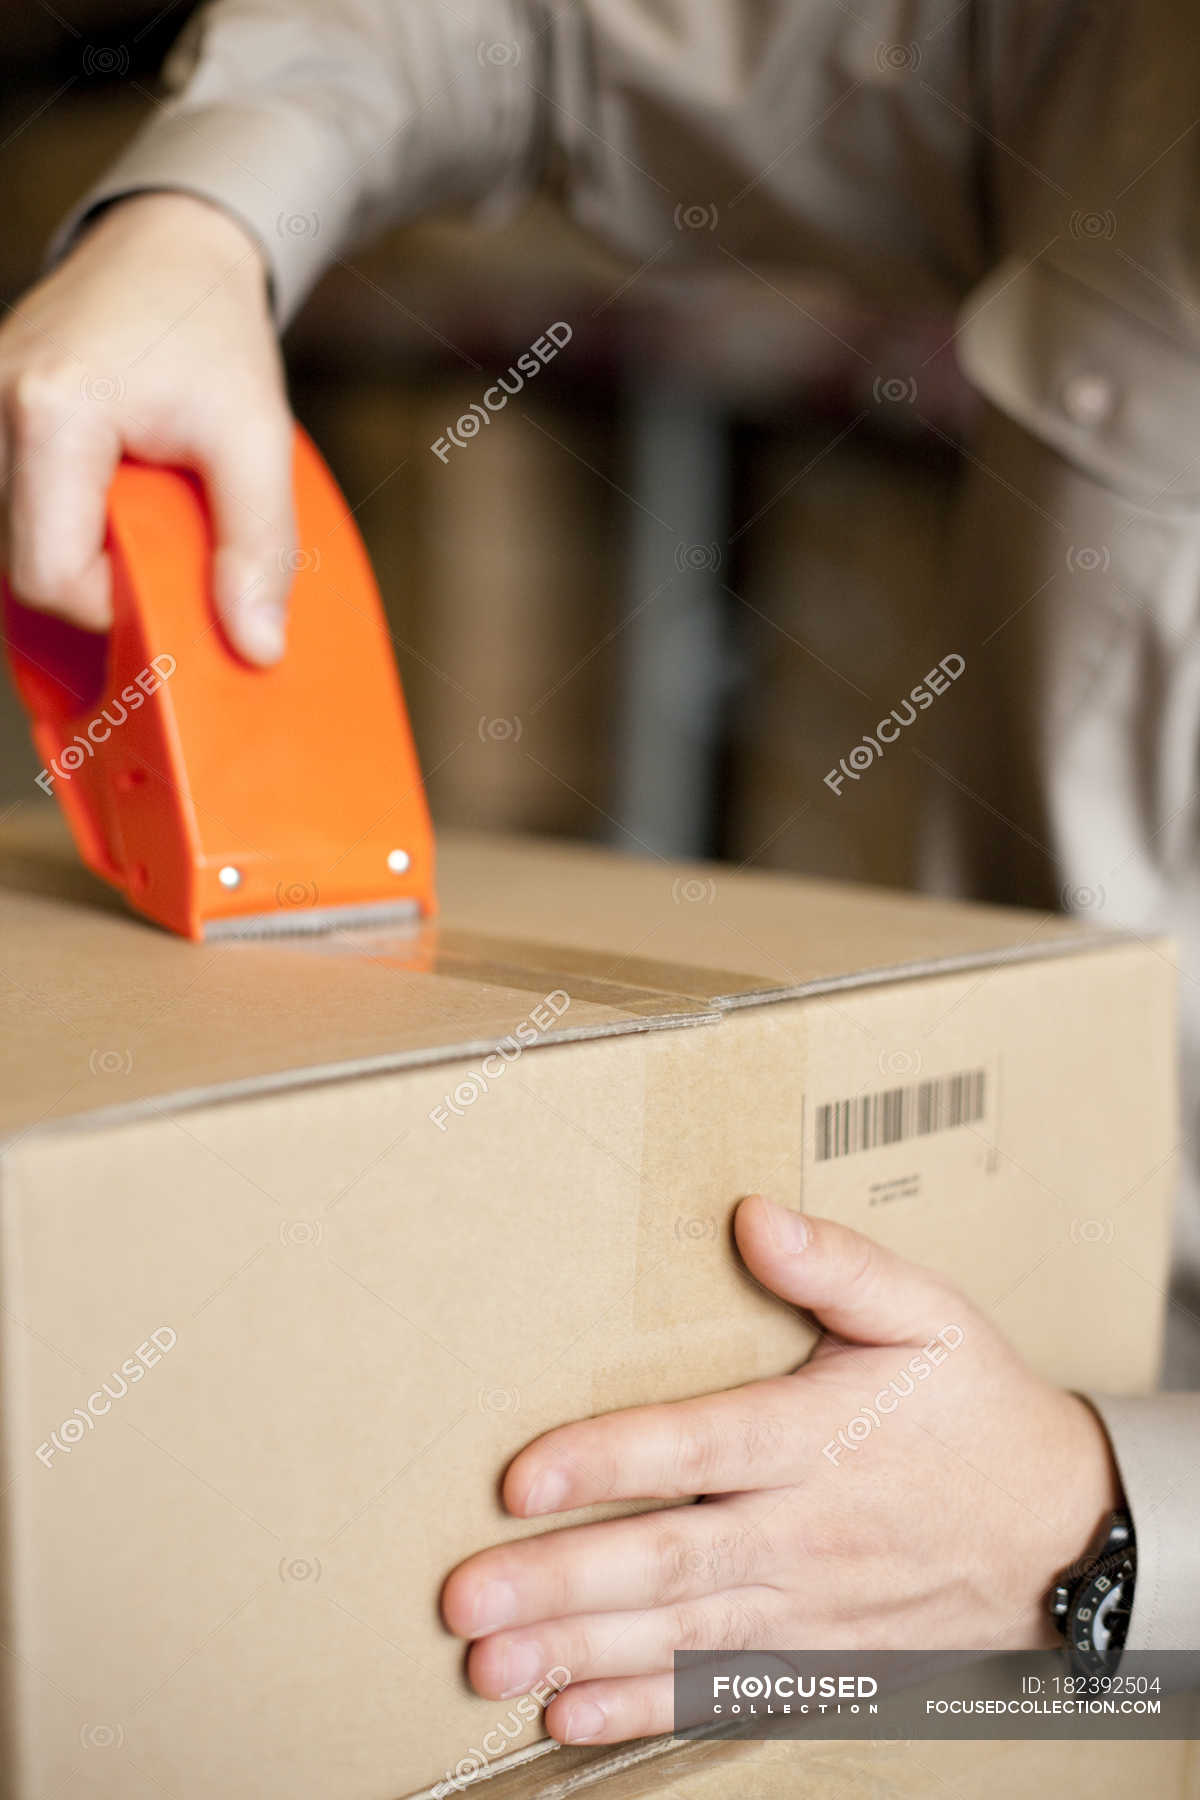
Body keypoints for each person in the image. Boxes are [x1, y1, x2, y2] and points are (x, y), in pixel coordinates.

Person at [3, 0, 1197, 1748]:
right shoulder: (1123, 71)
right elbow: (535, 34)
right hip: (937, 1388)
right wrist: (200, 221)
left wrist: (1097, 1529)